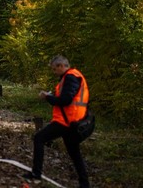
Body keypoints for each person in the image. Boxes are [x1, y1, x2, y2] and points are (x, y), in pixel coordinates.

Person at [24, 55, 91, 188]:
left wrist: (48, 97)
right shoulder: (71, 76)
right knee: (74, 153)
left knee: (39, 138)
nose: (54, 72)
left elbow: (66, 100)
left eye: (55, 69)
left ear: (61, 66)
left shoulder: (70, 77)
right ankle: (84, 184)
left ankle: (36, 174)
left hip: (66, 121)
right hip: (71, 121)